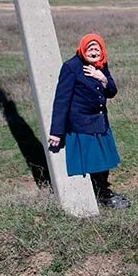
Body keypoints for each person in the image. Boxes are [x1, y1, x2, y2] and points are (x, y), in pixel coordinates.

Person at [48, 33, 130, 209]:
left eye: (97, 48)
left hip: (100, 122)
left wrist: (102, 78)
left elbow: (112, 92)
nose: (94, 52)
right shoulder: (71, 67)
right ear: (83, 49)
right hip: (82, 124)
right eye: (90, 49)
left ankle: (103, 192)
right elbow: (61, 100)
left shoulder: (101, 65)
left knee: (104, 161)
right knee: (94, 161)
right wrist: (56, 131)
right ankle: (102, 195)